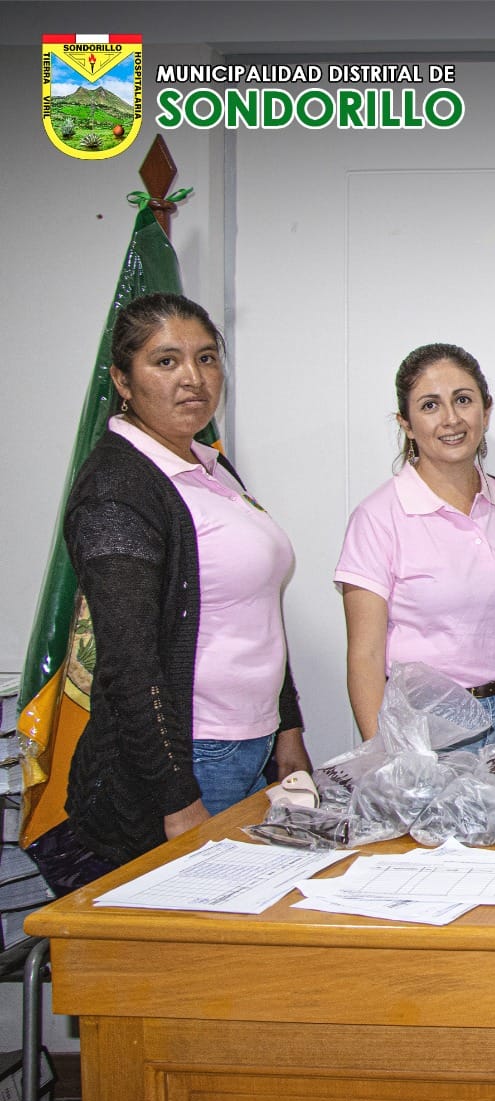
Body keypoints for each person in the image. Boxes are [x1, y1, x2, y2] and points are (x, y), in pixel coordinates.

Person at [31, 293, 312, 894]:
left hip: (249, 747)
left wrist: (287, 731)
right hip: (186, 762)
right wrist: (177, 800)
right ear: (122, 380)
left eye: (207, 358)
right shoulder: (119, 486)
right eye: (166, 361)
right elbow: (128, 662)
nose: (193, 378)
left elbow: (258, 612)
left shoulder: (210, 466)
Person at [336, 343, 495, 749]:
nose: (451, 419)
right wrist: (384, 756)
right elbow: (364, 657)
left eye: (463, 400)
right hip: (431, 723)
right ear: (407, 424)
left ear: (485, 411)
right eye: (430, 405)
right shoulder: (378, 517)